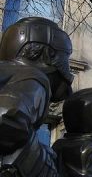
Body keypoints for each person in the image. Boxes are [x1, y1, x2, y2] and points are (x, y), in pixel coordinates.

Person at [0, 17, 73, 176]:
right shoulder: (33, 78)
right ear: (48, 54)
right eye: (65, 57)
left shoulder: (8, 73)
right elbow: (7, 118)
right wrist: (37, 158)